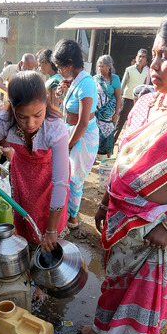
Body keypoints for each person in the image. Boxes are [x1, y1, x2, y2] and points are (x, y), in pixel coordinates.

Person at [78, 6, 167, 334]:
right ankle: (105, 328)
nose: (153, 65)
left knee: (145, 293)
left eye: (166, 57)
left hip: (165, 227)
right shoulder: (147, 101)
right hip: (124, 217)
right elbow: (124, 157)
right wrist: (106, 199)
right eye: (153, 55)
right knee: (116, 279)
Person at [0, 71, 70, 300]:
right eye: (22, 117)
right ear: (12, 108)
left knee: (49, 235)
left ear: (46, 101)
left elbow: (60, 182)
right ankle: (31, 273)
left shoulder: (55, 128)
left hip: (50, 180)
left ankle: (45, 281)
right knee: (26, 226)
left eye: (37, 115)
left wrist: (51, 230)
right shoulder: (3, 120)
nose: (31, 123)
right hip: (23, 176)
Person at [52, 39, 98, 230]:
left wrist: (69, 144)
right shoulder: (74, 82)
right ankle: (68, 211)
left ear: (69, 63)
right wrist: (61, 93)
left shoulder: (86, 83)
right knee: (67, 174)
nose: (59, 70)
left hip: (83, 136)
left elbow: (83, 122)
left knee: (75, 177)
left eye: (60, 66)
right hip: (73, 133)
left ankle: (73, 217)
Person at [115, 48, 149, 141]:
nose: (140, 59)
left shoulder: (146, 72)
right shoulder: (129, 69)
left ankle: (126, 145)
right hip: (126, 99)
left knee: (133, 124)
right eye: (139, 56)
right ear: (136, 57)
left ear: (146, 60)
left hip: (137, 102)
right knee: (119, 124)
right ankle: (111, 145)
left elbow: (144, 87)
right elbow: (122, 85)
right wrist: (119, 100)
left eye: (143, 57)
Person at [93, 54, 122, 159]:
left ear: (109, 66)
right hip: (97, 115)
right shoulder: (95, 79)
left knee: (109, 137)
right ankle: (93, 159)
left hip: (109, 116)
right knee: (95, 138)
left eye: (102, 66)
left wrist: (116, 113)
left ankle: (108, 160)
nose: (100, 68)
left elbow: (118, 97)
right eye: (99, 66)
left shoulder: (115, 79)